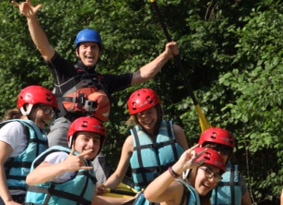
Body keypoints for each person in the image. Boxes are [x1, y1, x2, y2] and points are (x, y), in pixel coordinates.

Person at [13, 0, 180, 184]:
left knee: (103, 179)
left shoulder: (105, 81)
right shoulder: (66, 72)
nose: (89, 51)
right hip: (65, 127)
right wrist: (31, 19)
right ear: (77, 52)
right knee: (47, 158)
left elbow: (142, 75)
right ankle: (24, 189)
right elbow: (43, 47)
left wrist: (166, 55)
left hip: (92, 134)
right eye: (85, 47)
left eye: (94, 47)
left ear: (99, 52)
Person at [0, 85, 57, 205]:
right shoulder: (15, 128)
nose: (48, 116)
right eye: (45, 110)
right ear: (27, 108)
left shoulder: (41, 135)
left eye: (51, 112)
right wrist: (8, 201)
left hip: (26, 196)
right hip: (7, 198)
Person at [103, 88, 188, 192]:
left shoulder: (176, 131)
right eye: (141, 114)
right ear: (135, 117)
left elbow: (189, 165)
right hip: (147, 199)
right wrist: (104, 188)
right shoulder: (130, 142)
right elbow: (117, 176)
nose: (146, 118)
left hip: (176, 194)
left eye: (150, 112)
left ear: (158, 110)